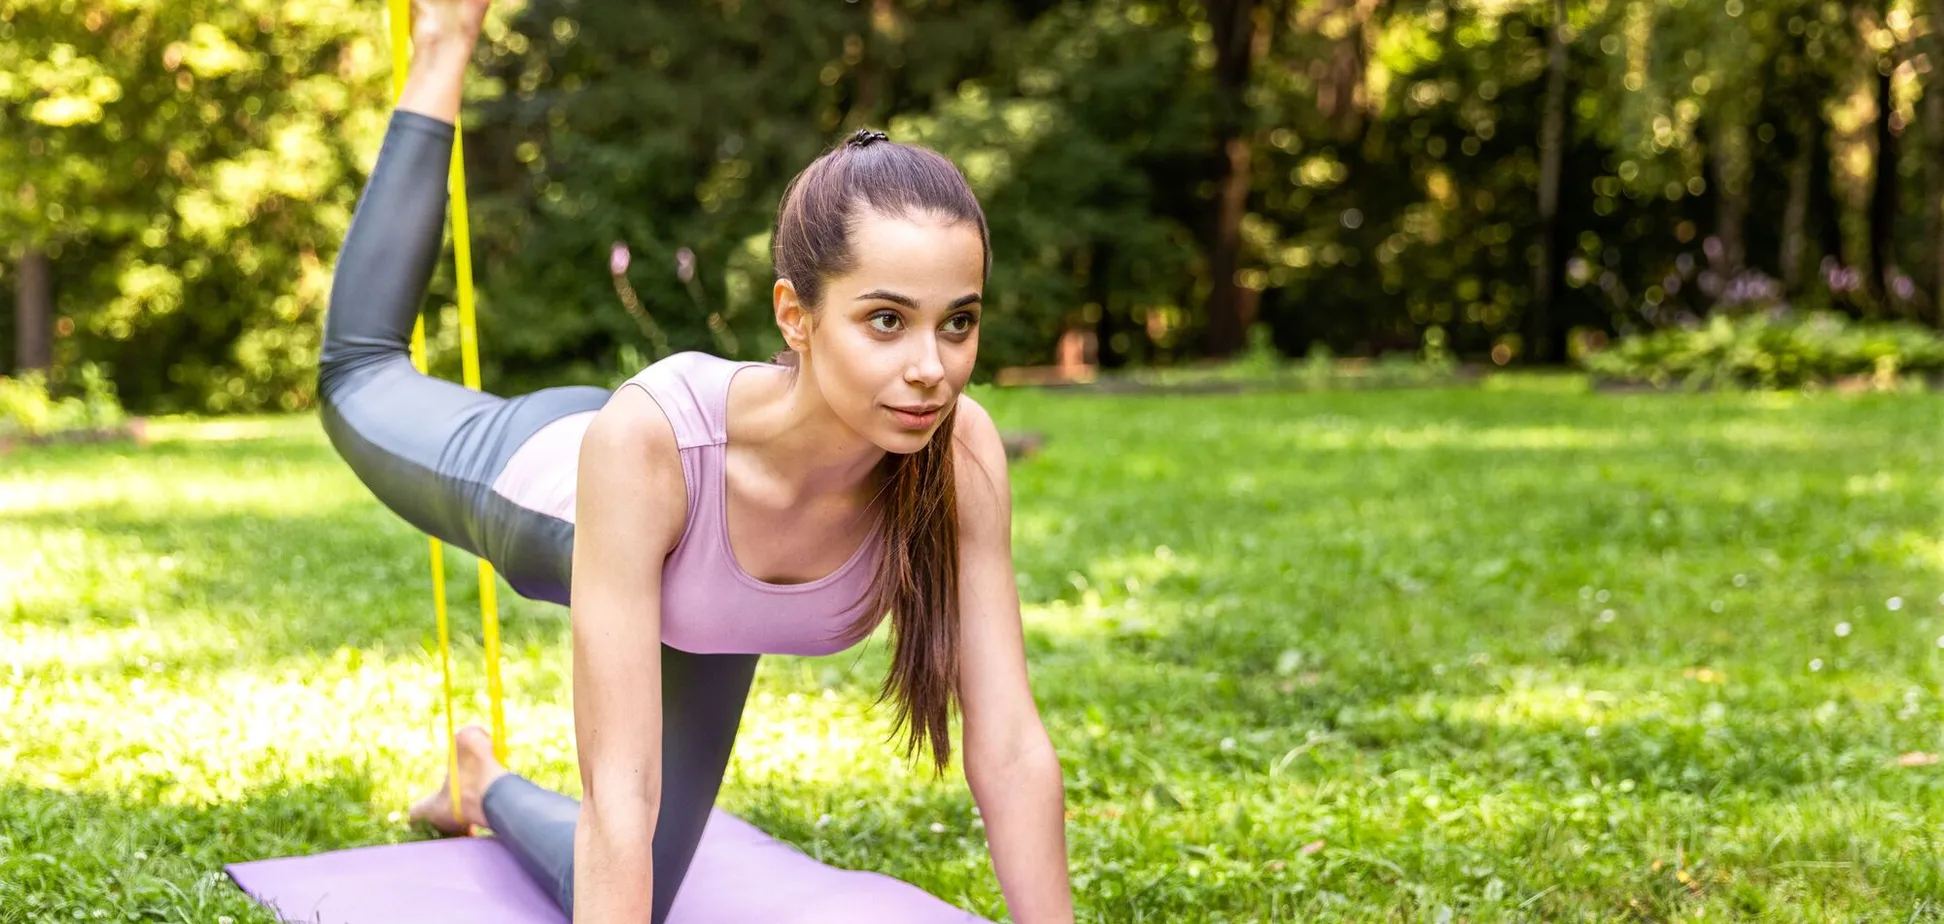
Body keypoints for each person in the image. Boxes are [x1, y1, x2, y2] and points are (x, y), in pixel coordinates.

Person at [314, 1, 1075, 921]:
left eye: (958, 322)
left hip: (709, 602)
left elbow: (1011, 749)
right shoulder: (649, 443)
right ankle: (445, 48)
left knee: (631, 888)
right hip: (573, 479)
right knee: (358, 380)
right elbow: (620, 795)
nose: (931, 368)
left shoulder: (959, 452)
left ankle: (481, 782)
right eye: (886, 319)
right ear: (795, 316)